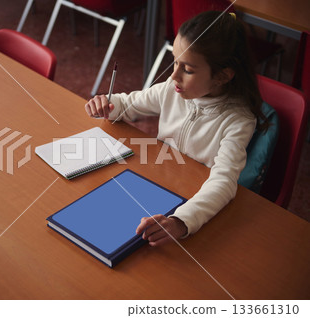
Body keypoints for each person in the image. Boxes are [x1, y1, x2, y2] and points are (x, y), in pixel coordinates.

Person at [84, 11, 269, 246]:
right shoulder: (173, 88)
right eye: (174, 61)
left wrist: (182, 221)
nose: (173, 75)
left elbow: (224, 182)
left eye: (188, 70)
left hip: (195, 203)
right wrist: (108, 105)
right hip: (156, 185)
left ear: (222, 76)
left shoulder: (238, 121)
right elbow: (129, 105)